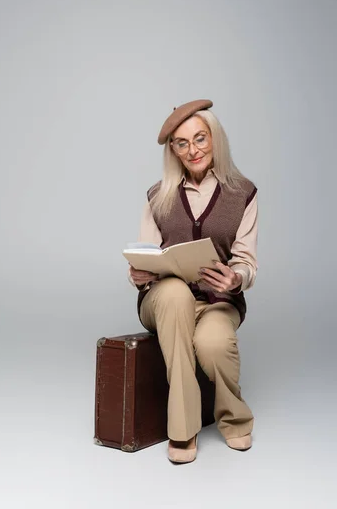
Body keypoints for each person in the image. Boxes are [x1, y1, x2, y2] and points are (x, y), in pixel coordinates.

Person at [128, 99, 258, 464]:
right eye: (182, 143)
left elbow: (246, 261)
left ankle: (235, 418)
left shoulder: (243, 193)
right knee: (172, 295)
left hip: (218, 300)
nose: (193, 150)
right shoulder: (157, 195)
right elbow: (146, 254)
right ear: (173, 150)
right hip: (165, 300)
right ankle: (183, 430)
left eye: (200, 139)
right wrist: (138, 275)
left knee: (213, 343)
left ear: (215, 139)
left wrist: (236, 277)